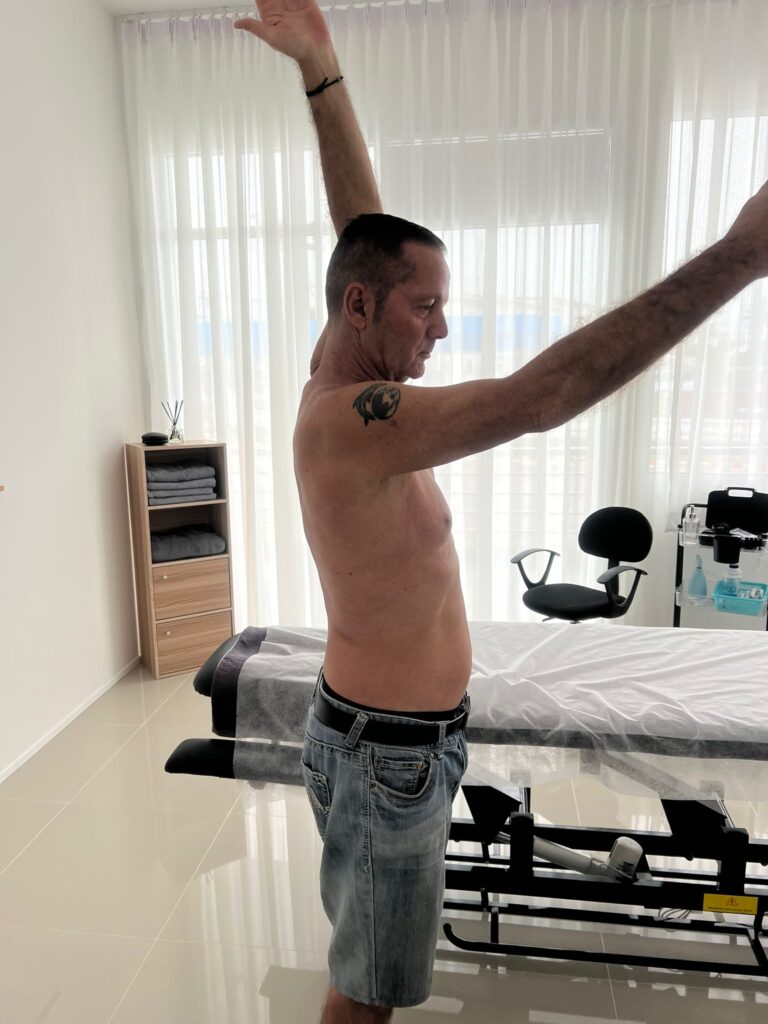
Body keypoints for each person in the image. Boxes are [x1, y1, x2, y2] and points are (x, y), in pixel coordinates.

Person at [236, 3, 768, 1020]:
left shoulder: (348, 361)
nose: (443, 328)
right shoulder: (350, 421)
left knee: (374, 978)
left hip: (404, 742)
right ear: (360, 309)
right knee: (366, 998)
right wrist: (740, 257)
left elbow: (364, 237)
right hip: (384, 752)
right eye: (426, 306)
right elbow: (542, 397)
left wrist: (320, 68)